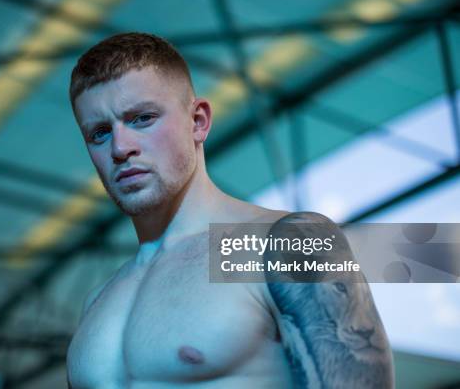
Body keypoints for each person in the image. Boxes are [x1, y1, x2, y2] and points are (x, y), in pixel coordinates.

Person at [66, 32, 393, 388]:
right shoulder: (97, 303)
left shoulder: (288, 243)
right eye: (99, 133)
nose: (120, 147)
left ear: (198, 121)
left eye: (142, 118)